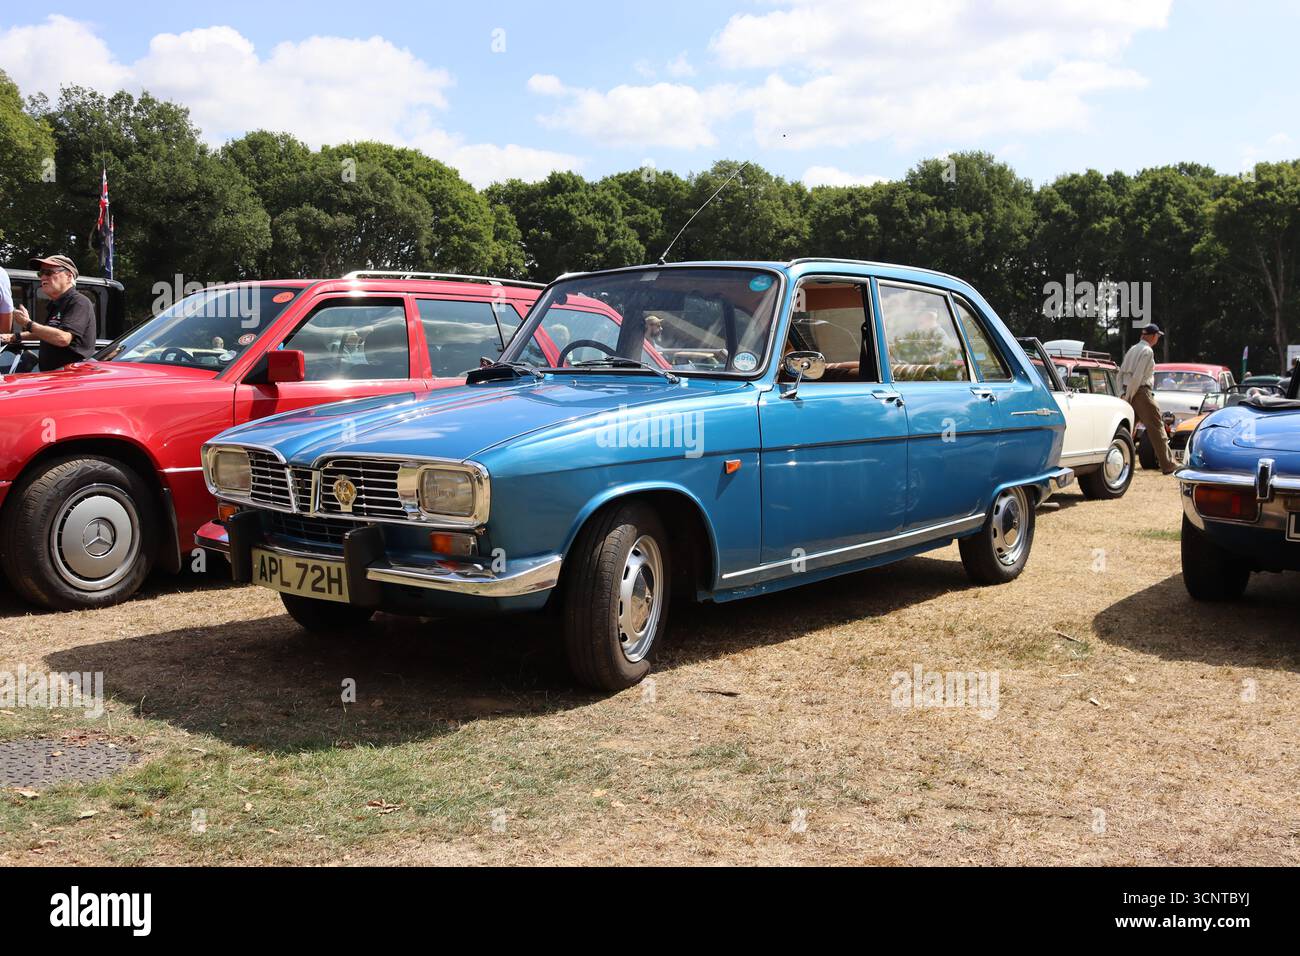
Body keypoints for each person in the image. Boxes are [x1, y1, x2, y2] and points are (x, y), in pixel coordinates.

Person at [11, 255, 97, 372]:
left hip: (70, 381)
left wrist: (27, 323)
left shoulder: (79, 302)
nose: (43, 277)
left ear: (68, 276)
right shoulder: (57, 303)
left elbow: (62, 338)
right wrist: (15, 336)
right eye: (40, 273)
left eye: (49, 272)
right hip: (54, 378)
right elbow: (47, 333)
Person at [1119, 323, 1175, 474]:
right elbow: (1138, 376)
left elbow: (1121, 372)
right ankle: (1168, 465)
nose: (1158, 338)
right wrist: (1130, 395)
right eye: (1157, 335)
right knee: (1157, 427)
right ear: (1152, 336)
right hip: (1141, 392)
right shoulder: (1147, 351)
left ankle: (1122, 463)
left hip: (1128, 391)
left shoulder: (1132, 349)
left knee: (1125, 430)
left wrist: (1122, 393)